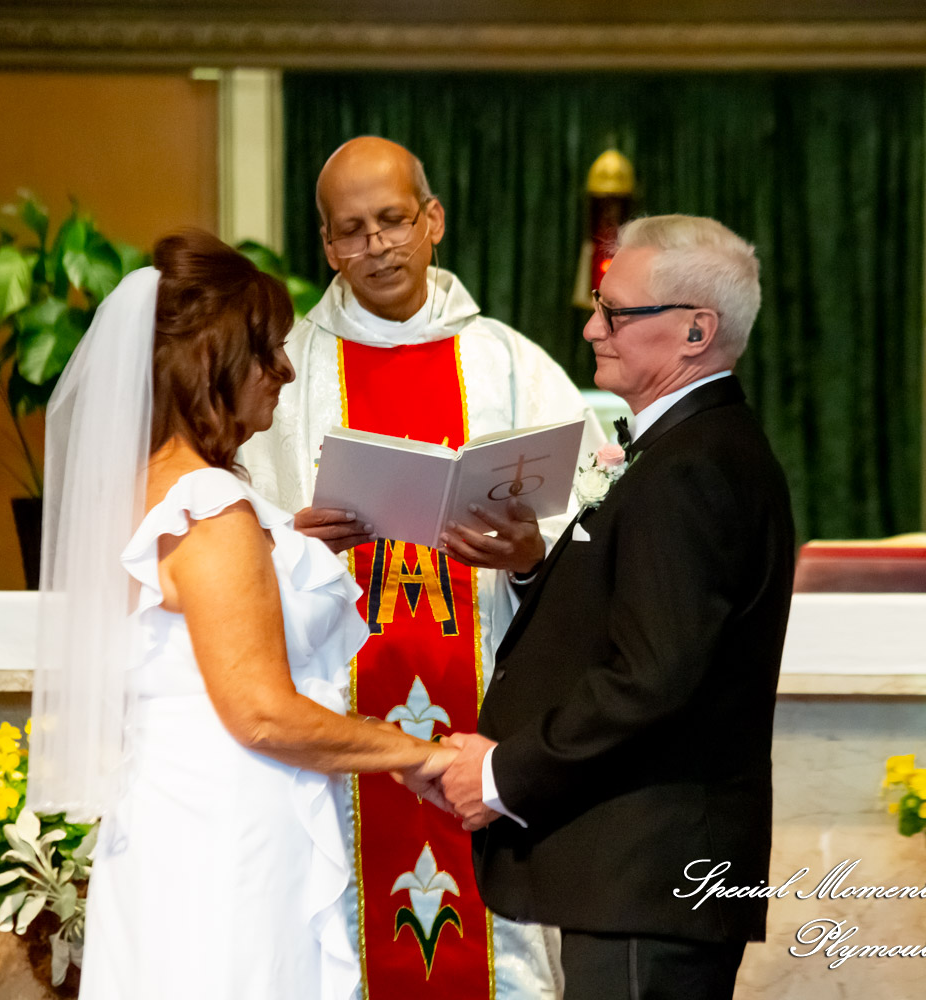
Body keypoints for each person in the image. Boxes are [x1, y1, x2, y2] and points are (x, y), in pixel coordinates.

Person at [27, 228, 455, 1000]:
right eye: (267, 351)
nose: (285, 372)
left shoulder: (141, 489)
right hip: (229, 827)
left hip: (171, 814)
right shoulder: (211, 509)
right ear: (210, 360)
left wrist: (282, 537)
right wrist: (414, 752)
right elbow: (260, 712)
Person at [239, 136, 604, 999]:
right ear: (327, 246)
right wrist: (292, 547)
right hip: (336, 720)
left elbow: (593, 532)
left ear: (432, 220)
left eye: (394, 221)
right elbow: (233, 549)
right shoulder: (284, 379)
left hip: (486, 720)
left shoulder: (513, 366)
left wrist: (529, 558)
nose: (378, 247)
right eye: (352, 230)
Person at [438, 214, 797, 1000]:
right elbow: (645, 620)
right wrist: (535, 566)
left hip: (650, 869)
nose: (592, 326)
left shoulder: (691, 468)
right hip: (639, 873)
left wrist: (502, 772)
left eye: (617, 311)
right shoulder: (688, 451)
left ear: (696, 331)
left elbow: (652, 677)